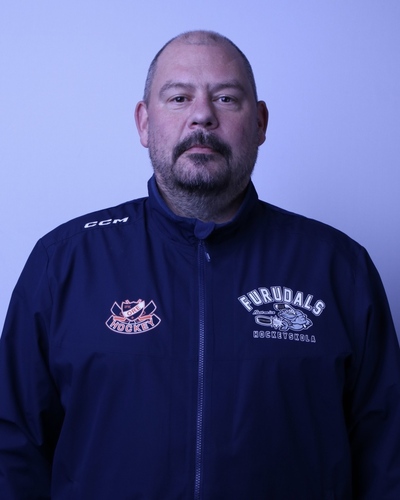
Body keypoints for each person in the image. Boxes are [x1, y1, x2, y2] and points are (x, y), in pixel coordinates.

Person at [0, 30, 399, 500]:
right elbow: (12, 452)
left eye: (226, 98)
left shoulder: (339, 269)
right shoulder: (64, 263)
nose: (202, 115)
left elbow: (386, 456)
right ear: (144, 123)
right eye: (179, 98)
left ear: (260, 123)